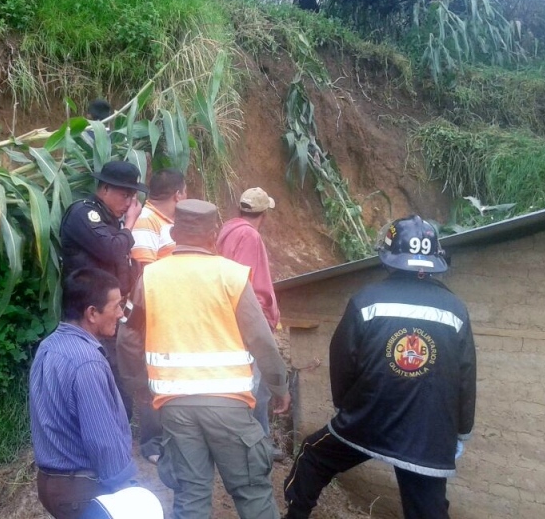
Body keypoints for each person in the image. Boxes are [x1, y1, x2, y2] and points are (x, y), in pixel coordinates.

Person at [282, 215, 477, 519]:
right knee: (428, 509)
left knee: (313, 456)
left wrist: (347, 408)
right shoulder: (456, 309)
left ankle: (296, 515)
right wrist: (460, 431)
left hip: (370, 420)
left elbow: (342, 360)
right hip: (428, 433)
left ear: (388, 258)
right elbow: (465, 375)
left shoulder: (366, 301)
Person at [122, 199, 292, 519]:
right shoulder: (232, 276)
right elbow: (261, 341)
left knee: (191, 495)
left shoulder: (151, 277)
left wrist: (140, 388)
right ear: (214, 234)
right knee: (252, 492)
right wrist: (279, 386)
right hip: (228, 405)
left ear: (174, 232)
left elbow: (128, 339)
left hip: (174, 406)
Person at [30, 268, 137, 519]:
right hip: (82, 491)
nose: (121, 314)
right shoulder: (87, 362)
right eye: (116, 306)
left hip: (50, 483)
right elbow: (102, 439)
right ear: (91, 313)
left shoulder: (49, 346)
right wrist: (126, 489)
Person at [60, 160, 147, 418]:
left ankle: (118, 428)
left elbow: (122, 264)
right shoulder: (85, 213)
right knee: (98, 372)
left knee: (115, 373)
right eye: (125, 194)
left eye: (133, 196)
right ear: (105, 189)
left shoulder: (110, 221)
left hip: (110, 311)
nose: (130, 202)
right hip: (88, 312)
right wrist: (130, 223)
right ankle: (106, 430)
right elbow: (111, 248)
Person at [128, 168, 187, 464]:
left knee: (170, 377)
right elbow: (146, 274)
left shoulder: (170, 221)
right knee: (151, 378)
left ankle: (168, 436)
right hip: (153, 314)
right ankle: (151, 443)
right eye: (184, 192)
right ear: (178, 194)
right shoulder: (147, 221)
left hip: (173, 312)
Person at [216, 186, 281, 438]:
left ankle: (255, 438)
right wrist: (260, 318)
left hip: (228, 318)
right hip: (247, 322)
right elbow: (246, 284)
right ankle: (255, 442)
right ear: (263, 214)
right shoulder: (249, 237)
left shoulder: (227, 230)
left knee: (253, 386)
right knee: (255, 389)